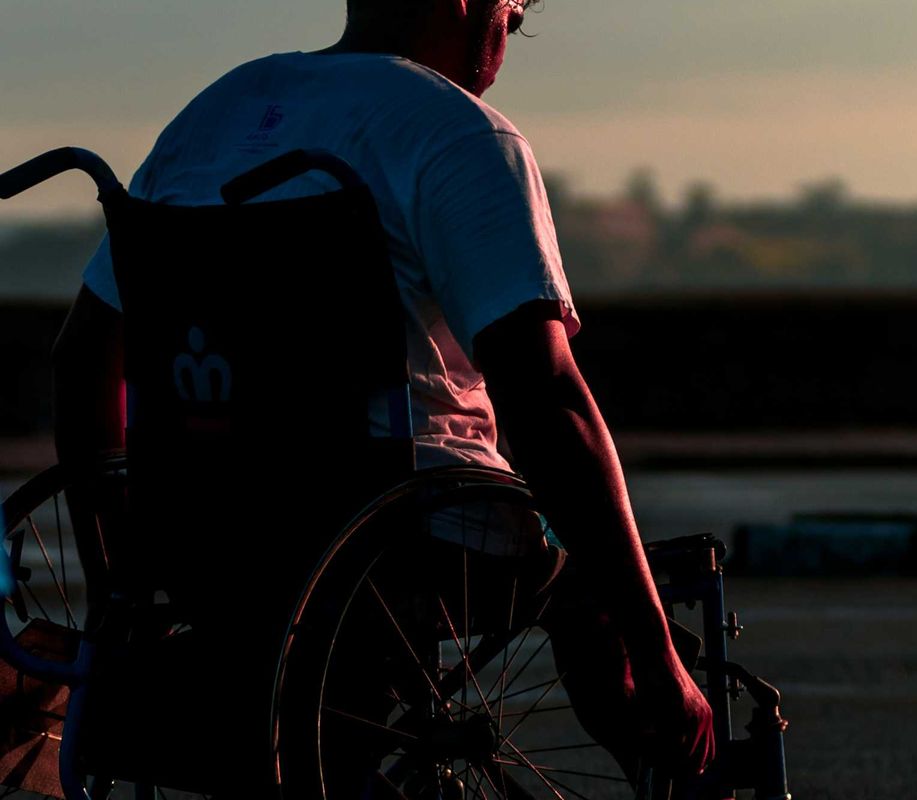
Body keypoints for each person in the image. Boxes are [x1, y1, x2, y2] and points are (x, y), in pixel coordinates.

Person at [52, 0, 714, 783]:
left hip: (205, 531)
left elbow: (83, 357)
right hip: (406, 532)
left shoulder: (216, 113)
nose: (509, 36)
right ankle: (679, 761)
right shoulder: (457, 132)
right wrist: (655, 649)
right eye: (514, 12)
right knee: (597, 596)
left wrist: (116, 581)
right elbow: (546, 400)